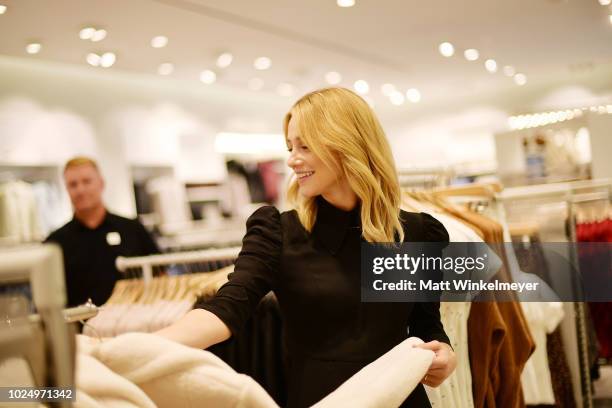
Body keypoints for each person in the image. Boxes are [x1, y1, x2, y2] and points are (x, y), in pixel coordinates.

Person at [156, 88, 456, 407]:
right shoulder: (279, 233)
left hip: (403, 399)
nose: (291, 160)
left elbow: (427, 325)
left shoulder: (417, 232)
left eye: (304, 146)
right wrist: (141, 348)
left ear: (346, 144)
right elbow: (228, 307)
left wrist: (444, 353)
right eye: (290, 146)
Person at [46, 157, 159, 307]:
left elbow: (160, 275)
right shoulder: (55, 243)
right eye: (73, 184)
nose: (80, 190)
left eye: (86, 181)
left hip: (136, 320)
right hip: (82, 327)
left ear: (101, 184)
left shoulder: (132, 228)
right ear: (66, 189)